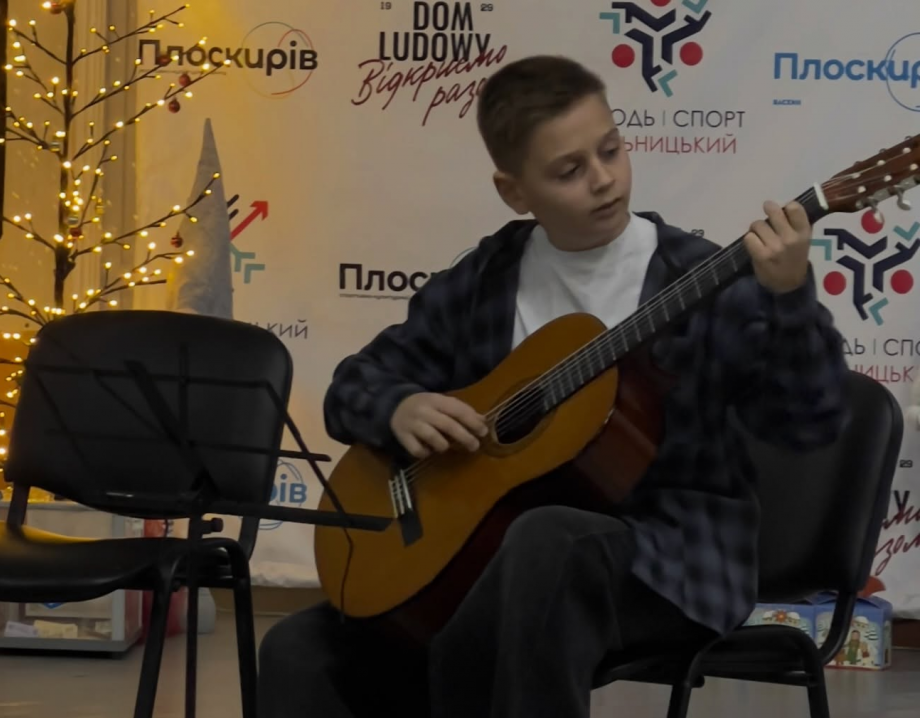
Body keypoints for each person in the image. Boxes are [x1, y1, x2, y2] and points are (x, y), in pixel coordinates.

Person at [257, 55, 849, 718]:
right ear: (515, 192)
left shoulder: (699, 280)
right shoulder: (488, 278)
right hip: (488, 565)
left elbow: (812, 420)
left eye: (611, 151)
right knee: (298, 651)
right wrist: (400, 407)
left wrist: (789, 299)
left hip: (668, 559)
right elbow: (353, 387)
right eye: (569, 171)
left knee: (548, 542)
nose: (603, 180)